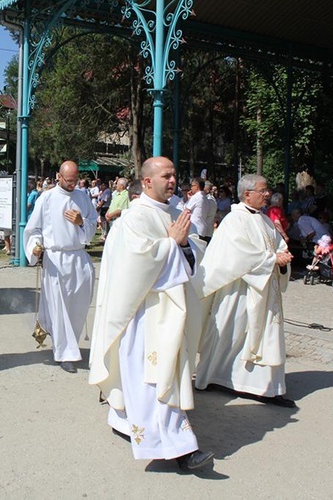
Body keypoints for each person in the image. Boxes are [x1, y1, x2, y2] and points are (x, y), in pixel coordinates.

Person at [89, 156, 214, 471]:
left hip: (171, 311)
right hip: (145, 315)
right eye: (165, 176)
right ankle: (180, 448)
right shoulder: (135, 219)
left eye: (174, 176)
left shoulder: (174, 213)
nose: (172, 181)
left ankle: (122, 420)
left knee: (154, 379)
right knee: (153, 380)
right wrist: (173, 244)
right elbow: (136, 268)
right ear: (146, 181)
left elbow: (191, 258)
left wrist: (182, 247)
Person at [193, 174, 295, 407]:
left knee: (264, 333)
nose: (267, 194)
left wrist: (283, 256)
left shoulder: (265, 219)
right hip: (238, 290)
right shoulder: (234, 220)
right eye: (263, 190)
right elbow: (237, 254)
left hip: (263, 288)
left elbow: (277, 244)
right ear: (247, 194)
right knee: (232, 333)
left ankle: (265, 386)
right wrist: (271, 259)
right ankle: (215, 376)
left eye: (267, 190)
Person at [24, 160, 97, 373]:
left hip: (78, 257)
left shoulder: (83, 197)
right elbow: (33, 228)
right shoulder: (46, 199)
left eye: (75, 180)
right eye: (69, 180)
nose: (73, 184)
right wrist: (35, 247)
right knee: (59, 306)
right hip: (56, 258)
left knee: (78, 304)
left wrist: (81, 222)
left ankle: (70, 344)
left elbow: (93, 222)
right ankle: (64, 353)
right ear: (59, 176)